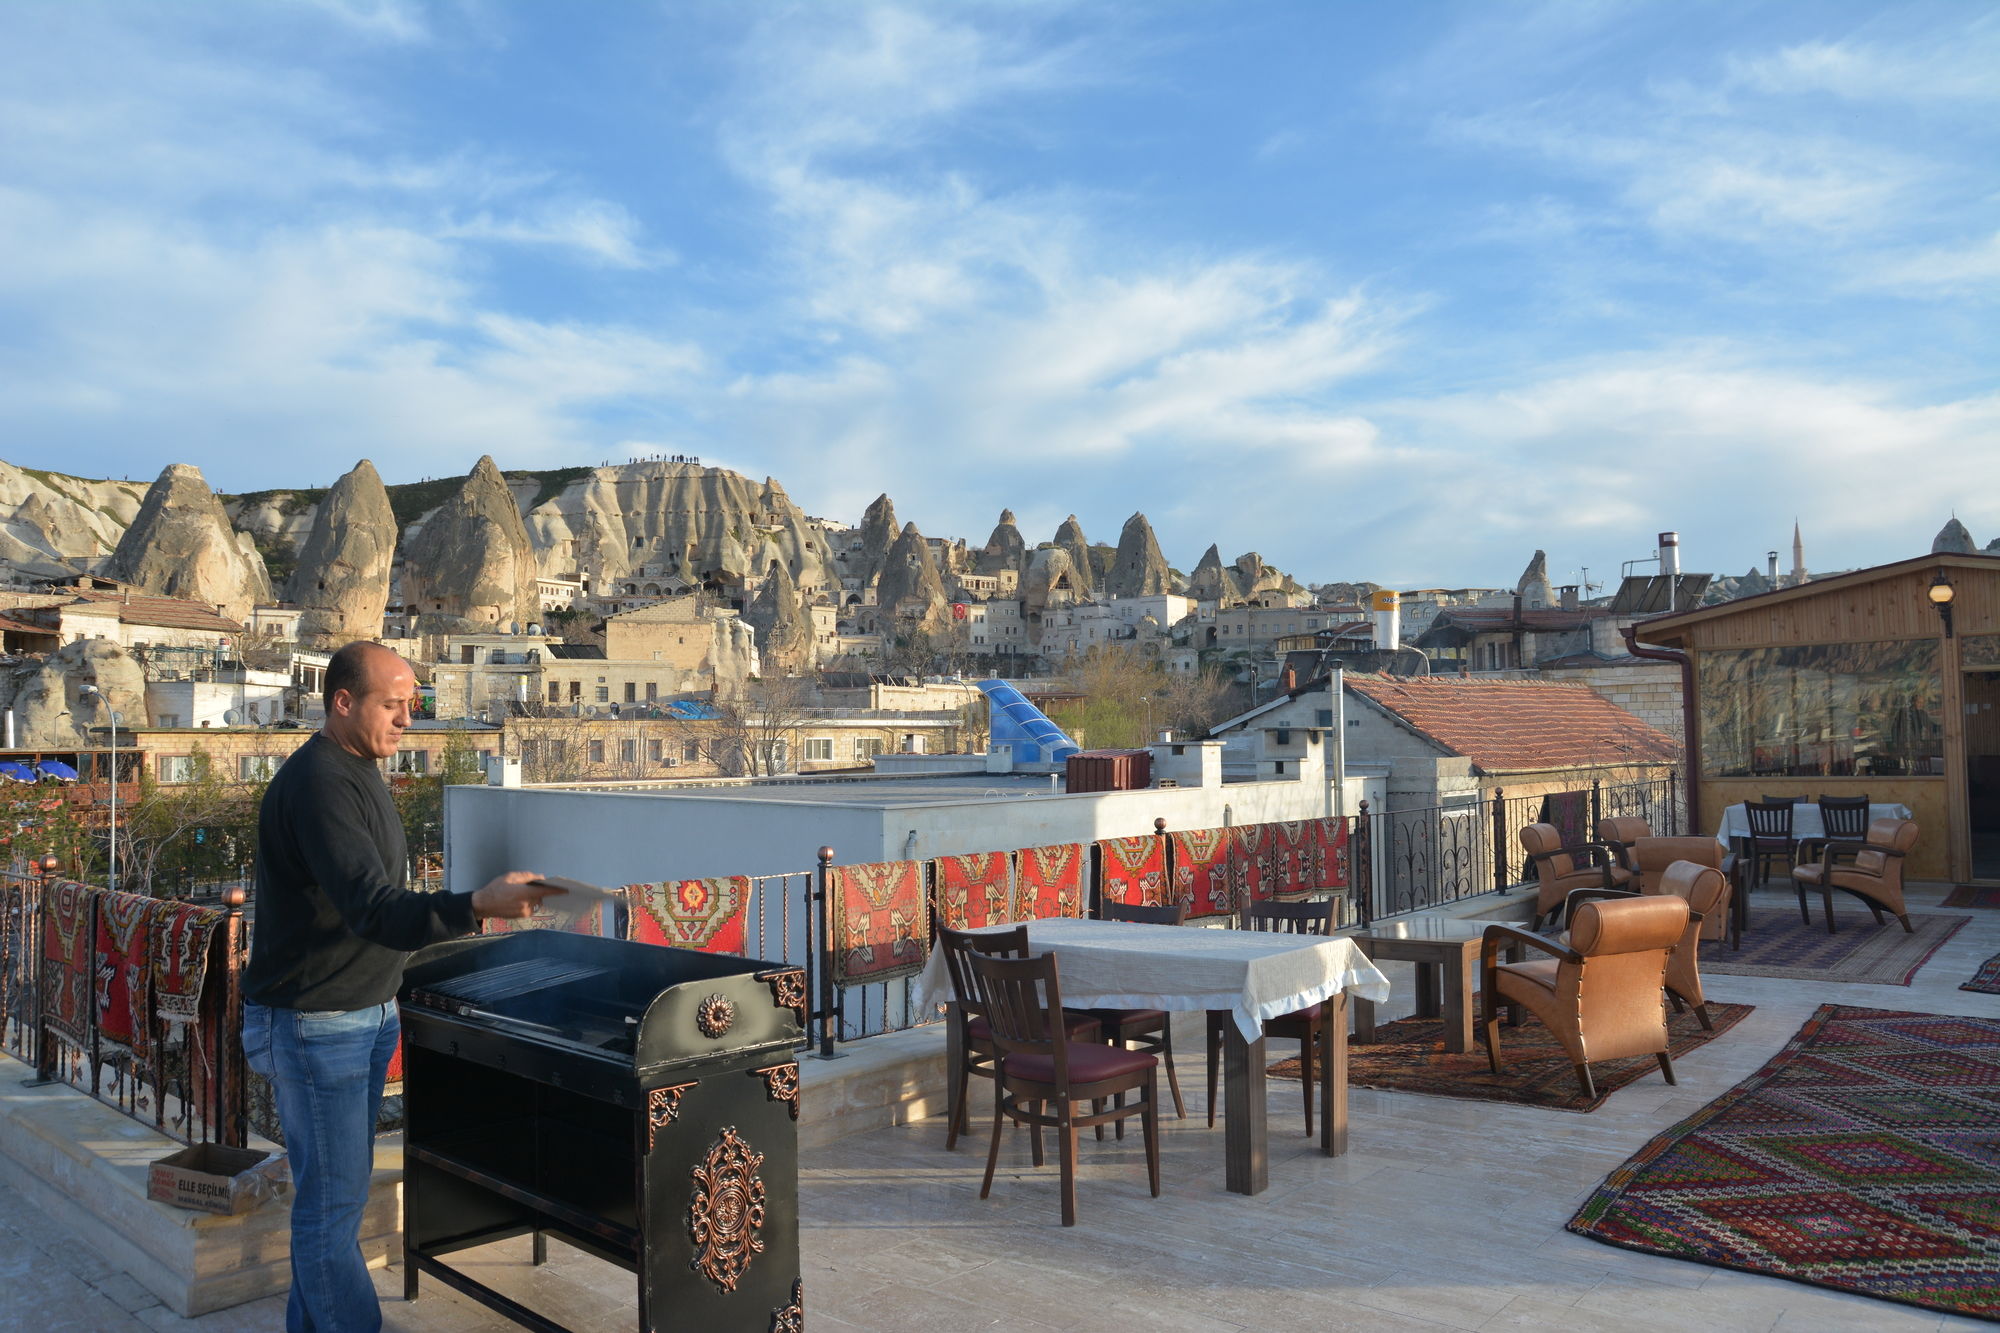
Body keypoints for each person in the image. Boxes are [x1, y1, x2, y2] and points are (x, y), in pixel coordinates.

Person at [242, 641, 558, 1333]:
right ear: (343, 702)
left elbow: (371, 906)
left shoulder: (357, 769)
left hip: (356, 1013)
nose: (407, 719)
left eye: (412, 703)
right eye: (393, 703)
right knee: (330, 1207)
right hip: (315, 1022)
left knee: (332, 1201)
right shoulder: (322, 784)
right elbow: (374, 908)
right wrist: (477, 903)